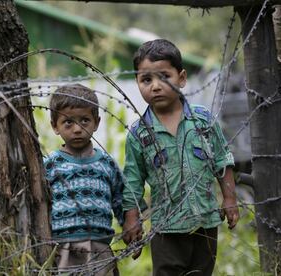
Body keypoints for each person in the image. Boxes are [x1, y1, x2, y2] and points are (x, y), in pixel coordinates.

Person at [121, 39, 239, 276]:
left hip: (205, 222)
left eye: (164, 77)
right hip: (166, 229)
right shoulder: (139, 135)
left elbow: (222, 161)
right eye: (146, 80)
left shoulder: (203, 121)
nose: (155, 86)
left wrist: (229, 198)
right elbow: (132, 181)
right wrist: (132, 218)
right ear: (137, 83)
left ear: (182, 78)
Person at [43, 83, 124, 276]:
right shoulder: (50, 164)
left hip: (99, 249)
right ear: (55, 126)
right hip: (63, 249)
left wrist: (129, 225)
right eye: (68, 122)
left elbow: (120, 198)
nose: (77, 129)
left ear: (96, 122)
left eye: (85, 120)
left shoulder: (106, 163)